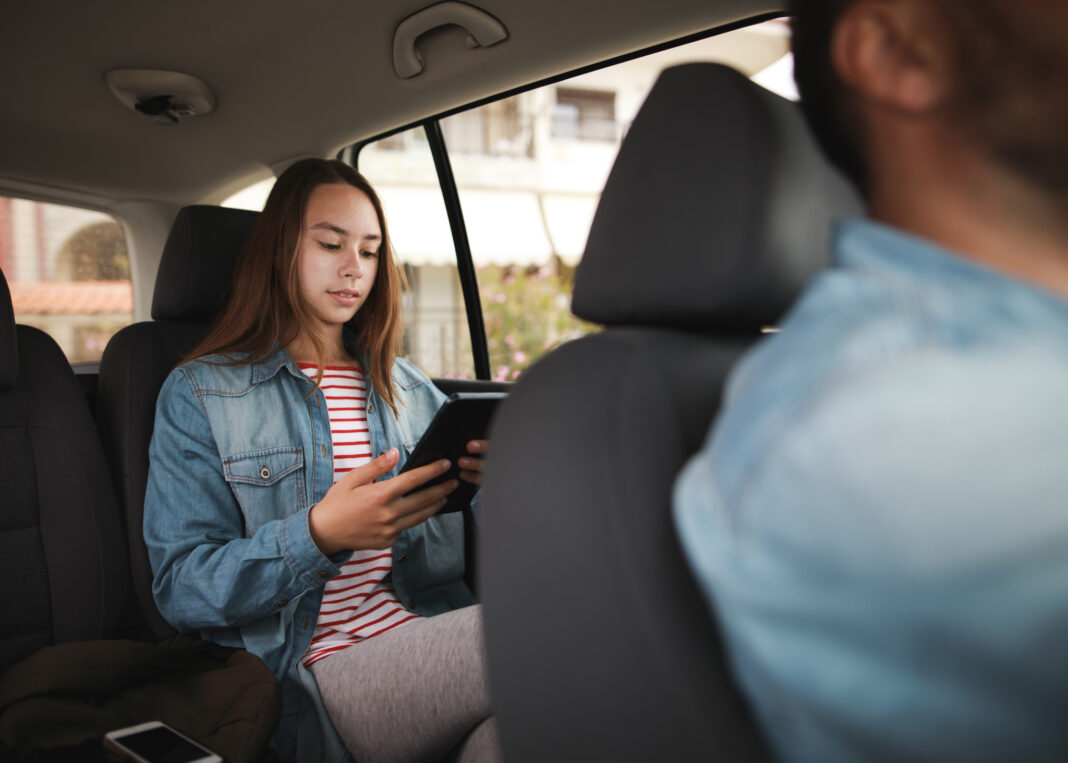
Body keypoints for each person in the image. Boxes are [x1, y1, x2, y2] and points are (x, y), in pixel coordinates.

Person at [673, 1, 1068, 761]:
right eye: (358, 249)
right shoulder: (898, 421)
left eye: (373, 249)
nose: (362, 269)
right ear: (895, 51)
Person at [144, 158, 499, 763]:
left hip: (425, 630)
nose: (353, 268)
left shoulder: (408, 388)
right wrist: (318, 535)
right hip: (314, 668)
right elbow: (180, 586)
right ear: (282, 250)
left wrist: (492, 483)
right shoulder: (201, 393)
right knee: (542, 627)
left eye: (369, 250)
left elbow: (477, 524)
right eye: (331, 244)